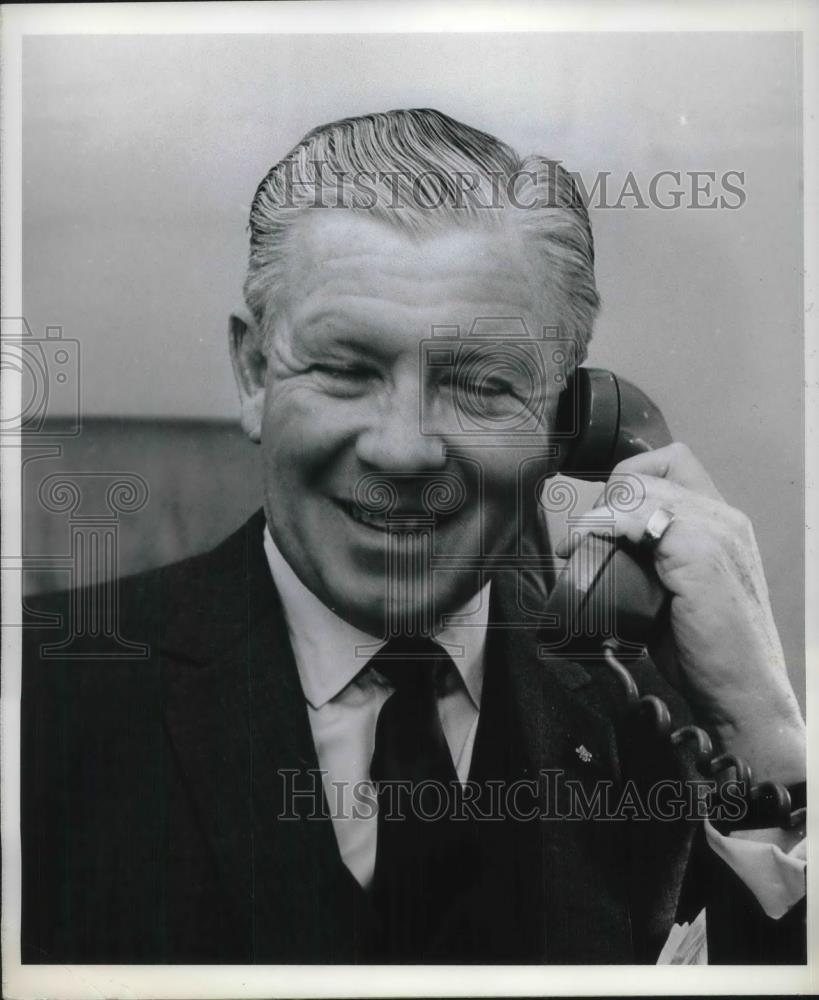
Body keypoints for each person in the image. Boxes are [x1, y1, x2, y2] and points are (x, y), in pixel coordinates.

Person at [21, 108, 806, 965]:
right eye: (346, 370)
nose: (403, 450)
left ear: (564, 418)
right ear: (252, 375)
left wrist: (765, 728)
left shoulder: (664, 720)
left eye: (479, 385)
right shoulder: (36, 704)